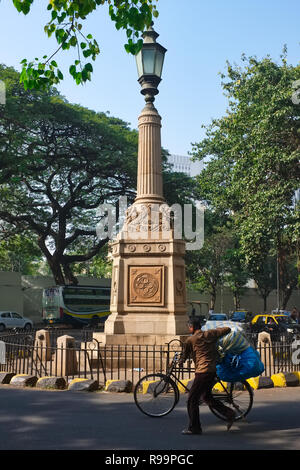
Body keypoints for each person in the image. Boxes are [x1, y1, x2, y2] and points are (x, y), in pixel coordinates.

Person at [179, 318, 236, 435]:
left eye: (189, 327)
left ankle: (194, 428)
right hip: (212, 371)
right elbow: (227, 329)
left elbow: (184, 355)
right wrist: (216, 331)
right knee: (206, 397)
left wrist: (180, 362)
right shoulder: (210, 334)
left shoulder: (191, 339)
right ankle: (229, 414)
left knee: (192, 400)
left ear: (192, 327)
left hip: (202, 372)